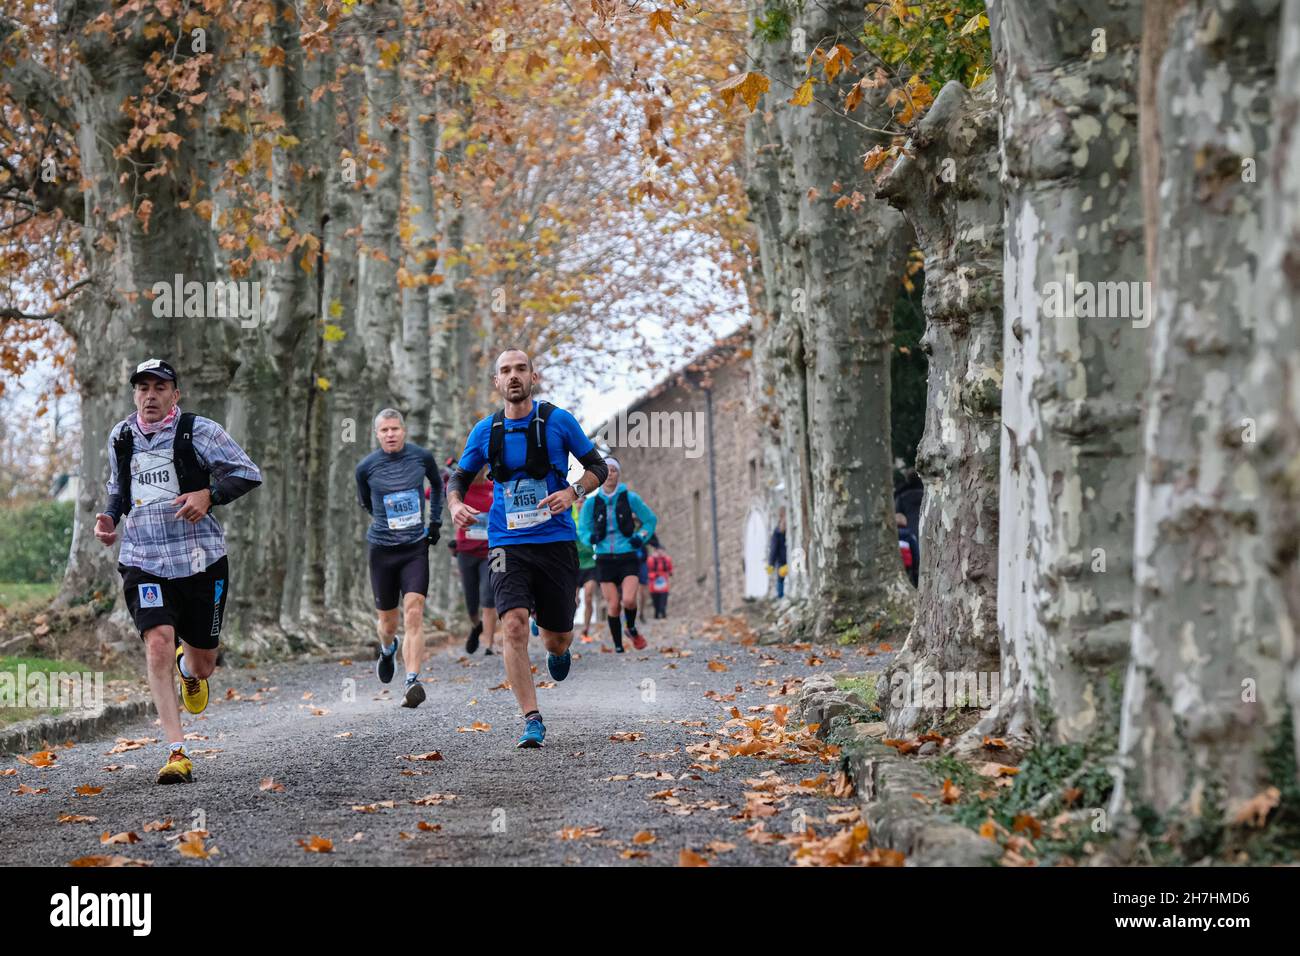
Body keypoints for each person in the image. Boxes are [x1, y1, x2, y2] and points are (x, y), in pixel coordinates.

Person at [94, 359, 261, 785]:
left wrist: (209, 494)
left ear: (175, 394)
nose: (149, 395)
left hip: (200, 560)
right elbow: (119, 489)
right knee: (158, 644)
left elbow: (247, 472)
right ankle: (177, 751)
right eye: (142, 388)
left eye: (159, 388)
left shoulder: (198, 431)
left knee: (204, 662)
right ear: (134, 394)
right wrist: (111, 518)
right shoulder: (122, 436)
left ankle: (190, 671)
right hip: (144, 559)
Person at [446, 349, 608, 748]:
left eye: (521, 369)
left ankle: (558, 646)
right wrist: (455, 505)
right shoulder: (485, 431)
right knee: (514, 624)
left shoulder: (558, 421)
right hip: (507, 541)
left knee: (556, 637)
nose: (513, 376)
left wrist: (572, 492)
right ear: (496, 383)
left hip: (555, 540)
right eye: (505, 371)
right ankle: (531, 718)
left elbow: (598, 467)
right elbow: (458, 478)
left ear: (533, 377)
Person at [355, 409, 442, 708]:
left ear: (404, 431)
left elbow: (439, 485)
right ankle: (387, 647)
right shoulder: (366, 467)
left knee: (415, 611)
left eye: (395, 429)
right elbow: (365, 501)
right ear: (377, 434)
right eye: (384, 430)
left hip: (415, 547)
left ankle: (412, 680)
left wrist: (435, 523)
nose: (390, 434)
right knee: (388, 623)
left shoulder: (421, 457)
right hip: (382, 551)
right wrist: (386, 522)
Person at [578, 457, 657, 653]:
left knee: (629, 600)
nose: (610, 474)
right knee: (613, 606)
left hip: (627, 555)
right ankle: (619, 645)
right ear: (600, 476)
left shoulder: (631, 498)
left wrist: (641, 537)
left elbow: (650, 520)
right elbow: (582, 529)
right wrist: (591, 539)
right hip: (605, 559)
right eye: (606, 471)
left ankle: (631, 628)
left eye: (613, 470)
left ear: (618, 474)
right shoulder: (592, 503)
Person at [455, 466, 497, 655]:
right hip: (466, 552)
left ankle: (488, 644)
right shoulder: (461, 488)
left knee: (489, 596)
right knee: (472, 602)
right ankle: (476, 625)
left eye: (483, 466)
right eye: (476, 465)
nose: (479, 470)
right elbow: (431, 492)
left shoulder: (493, 487)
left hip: (491, 551)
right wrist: (446, 477)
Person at [573, 500, 600, 642]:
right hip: (574, 565)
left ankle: (586, 628)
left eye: (583, 501)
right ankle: (567, 627)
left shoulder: (591, 519)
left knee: (588, 597)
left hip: (590, 563)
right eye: (577, 501)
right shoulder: (570, 518)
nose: (580, 504)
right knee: (574, 601)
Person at [645, 537, 673, 619]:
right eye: (659, 550)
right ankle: (656, 613)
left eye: (662, 550)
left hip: (663, 583)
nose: (660, 552)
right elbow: (647, 571)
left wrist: (669, 573)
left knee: (663, 598)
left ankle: (663, 612)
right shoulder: (650, 560)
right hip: (653, 583)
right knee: (655, 599)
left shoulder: (667, 559)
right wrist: (653, 575)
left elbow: (670, 569)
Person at [768, 509, 788, 599]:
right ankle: (781, 597)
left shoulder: (789, 531)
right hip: (782, 561)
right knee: (781, 579)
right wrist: (771, 564)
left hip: (790, 561)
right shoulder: (777, 533)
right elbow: (773, 549)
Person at [896, 512, 920, 587]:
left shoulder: (890, 536)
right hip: (907, 565)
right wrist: (915, 567)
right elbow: (916, 552)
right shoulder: (910, 535)